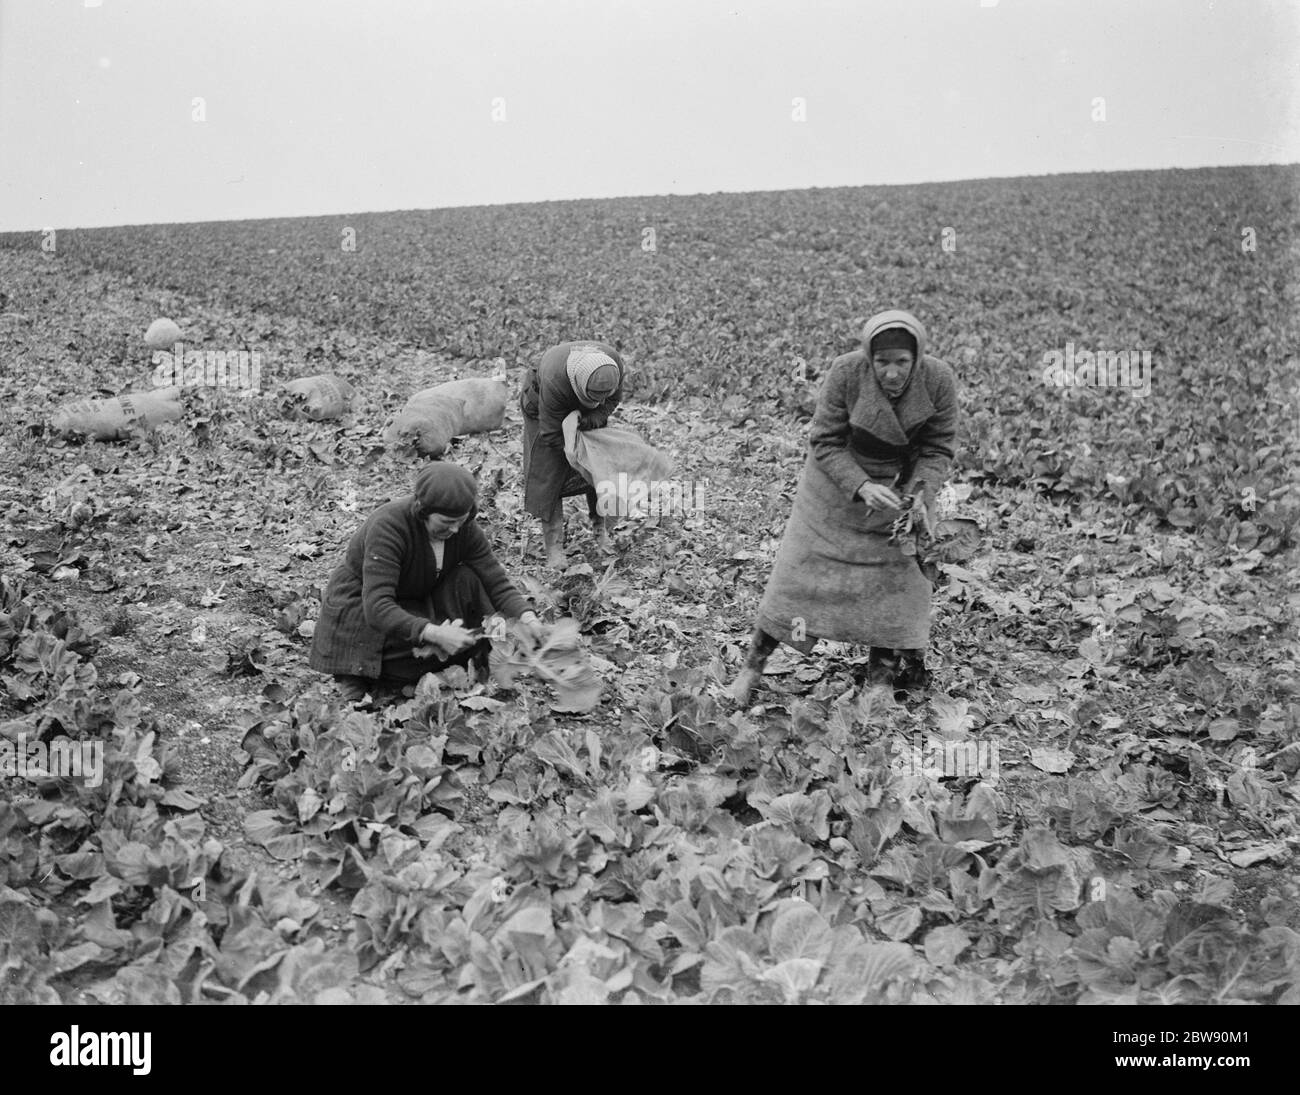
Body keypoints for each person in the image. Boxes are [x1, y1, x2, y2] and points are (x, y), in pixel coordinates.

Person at [729, 309, 959, 706]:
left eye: (901, 362)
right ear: (869, 357)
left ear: (916, 358)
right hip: (834, 486)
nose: (891, 372)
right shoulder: (846, 373)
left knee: (898, 585)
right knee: (797, 580)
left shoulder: (938, 380)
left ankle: (880, 683)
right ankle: (752, 669)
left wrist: (919, 494)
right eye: (882, 361)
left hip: (902, 489)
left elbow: (938, 447)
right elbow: (825, 440)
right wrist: (861, 485)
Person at [309, 462, 545, 703]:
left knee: (470, 579)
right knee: (407, 654)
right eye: (445, 523)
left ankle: (442, 661)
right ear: (423, 512)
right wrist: (433, 633)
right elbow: (378, 607)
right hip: (362, 614)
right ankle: (361, 674)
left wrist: (528, 618)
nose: (455, 529)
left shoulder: (463, 527)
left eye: (460, 521)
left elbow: (495, 579)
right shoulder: (389, 527)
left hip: (416, 601)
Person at [521, 340, 626, 568]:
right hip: (543, 405)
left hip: (583, 410)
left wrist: (588, 418)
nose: (599, 401)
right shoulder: (554, 379)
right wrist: (574, 454)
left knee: (597, 465)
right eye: (593, 397)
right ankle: (554, 548)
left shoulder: (614, 366)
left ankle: (600, 530)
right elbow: (551, 433)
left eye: (602, 396)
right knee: (548, 471)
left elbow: (611, 402)